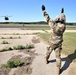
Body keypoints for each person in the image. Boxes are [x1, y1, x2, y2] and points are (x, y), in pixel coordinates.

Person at [41, 5, 66, 75]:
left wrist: (44, 11)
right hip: (59, 43)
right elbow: (64, 19)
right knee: (58, 57)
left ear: (56, 20)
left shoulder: (53, 25)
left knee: (48, 52)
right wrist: (63, 13)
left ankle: (46, 60)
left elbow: (47, 18)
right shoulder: (64, 26)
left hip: (52, 42)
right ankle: (58, 70)